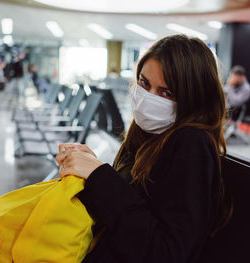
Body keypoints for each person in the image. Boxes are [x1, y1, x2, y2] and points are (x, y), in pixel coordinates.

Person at [56, 34, 229, 263]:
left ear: (193, 98)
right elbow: (129, 206)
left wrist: (101, 177)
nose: (149, 98)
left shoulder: (192, 144)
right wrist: (90, 170)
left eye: (166, 92)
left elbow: (167, 253)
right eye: (144, 83)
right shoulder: (148, 134)